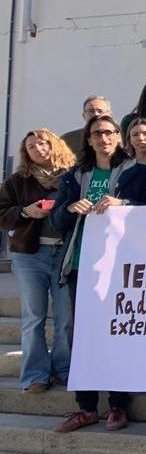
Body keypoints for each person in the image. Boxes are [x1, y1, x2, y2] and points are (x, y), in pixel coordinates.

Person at [50, 114, 146, 433]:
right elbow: (57, 220)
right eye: (97, 133)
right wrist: (70, 209)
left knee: (115, 334)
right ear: (88, 139)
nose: (103, 138)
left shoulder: (138, 173)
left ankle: (117, 404)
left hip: (120, 267)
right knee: (80, 336)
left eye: (109, 132)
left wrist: (123, 203)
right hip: (79, 264)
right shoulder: (75, 175)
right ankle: (86, 407)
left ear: (119, 136)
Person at [0, 130, 76, 393]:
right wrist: (24, 212)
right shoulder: (18, 180)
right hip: (29, 255)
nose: (38, 149)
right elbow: (2, 213)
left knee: (66, 317)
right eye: (31, 147)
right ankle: (34, 375)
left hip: (64, 253)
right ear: (26, 153)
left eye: (42, 143)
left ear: (53, 145)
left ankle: (63, 369)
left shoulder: (72, 176)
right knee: (34, 317)